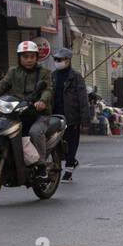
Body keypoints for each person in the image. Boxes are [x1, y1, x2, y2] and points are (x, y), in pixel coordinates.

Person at [0, 41, 53, 164]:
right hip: (17, 111)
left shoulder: (44, 72)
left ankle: (41, 164)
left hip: (39, 114)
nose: (29, 60)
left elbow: (48, 89)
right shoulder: (13, 71)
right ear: (19, 58)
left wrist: (42, 101)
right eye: (25, 57)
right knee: (1, 128)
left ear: (36, 57)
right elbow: (3, 85)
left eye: (32, 56)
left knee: (34, 132)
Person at [50, 48, 89, 182]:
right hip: (54, 115)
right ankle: (63, 164)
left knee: (71, 143)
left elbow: (83, 99)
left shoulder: (76, 77)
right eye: (55, 60)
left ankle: (69, 169)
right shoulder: (52, 76)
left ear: (68, 60)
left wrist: (85, 120)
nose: (57, 62)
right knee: (55, 143)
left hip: (71, 116)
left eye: (60, 60)